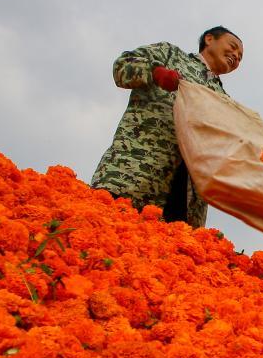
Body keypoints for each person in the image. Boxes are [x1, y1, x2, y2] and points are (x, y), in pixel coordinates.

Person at [91, 26, 244, 228]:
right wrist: (156, 73)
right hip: (132, 176)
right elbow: (122, 65)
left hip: (184, 203)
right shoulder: (170, 55)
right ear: (209, 39)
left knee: (163, 257)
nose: (236, 56)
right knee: (101, 240)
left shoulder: (223, 100)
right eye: (233, 47)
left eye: (240, 57)